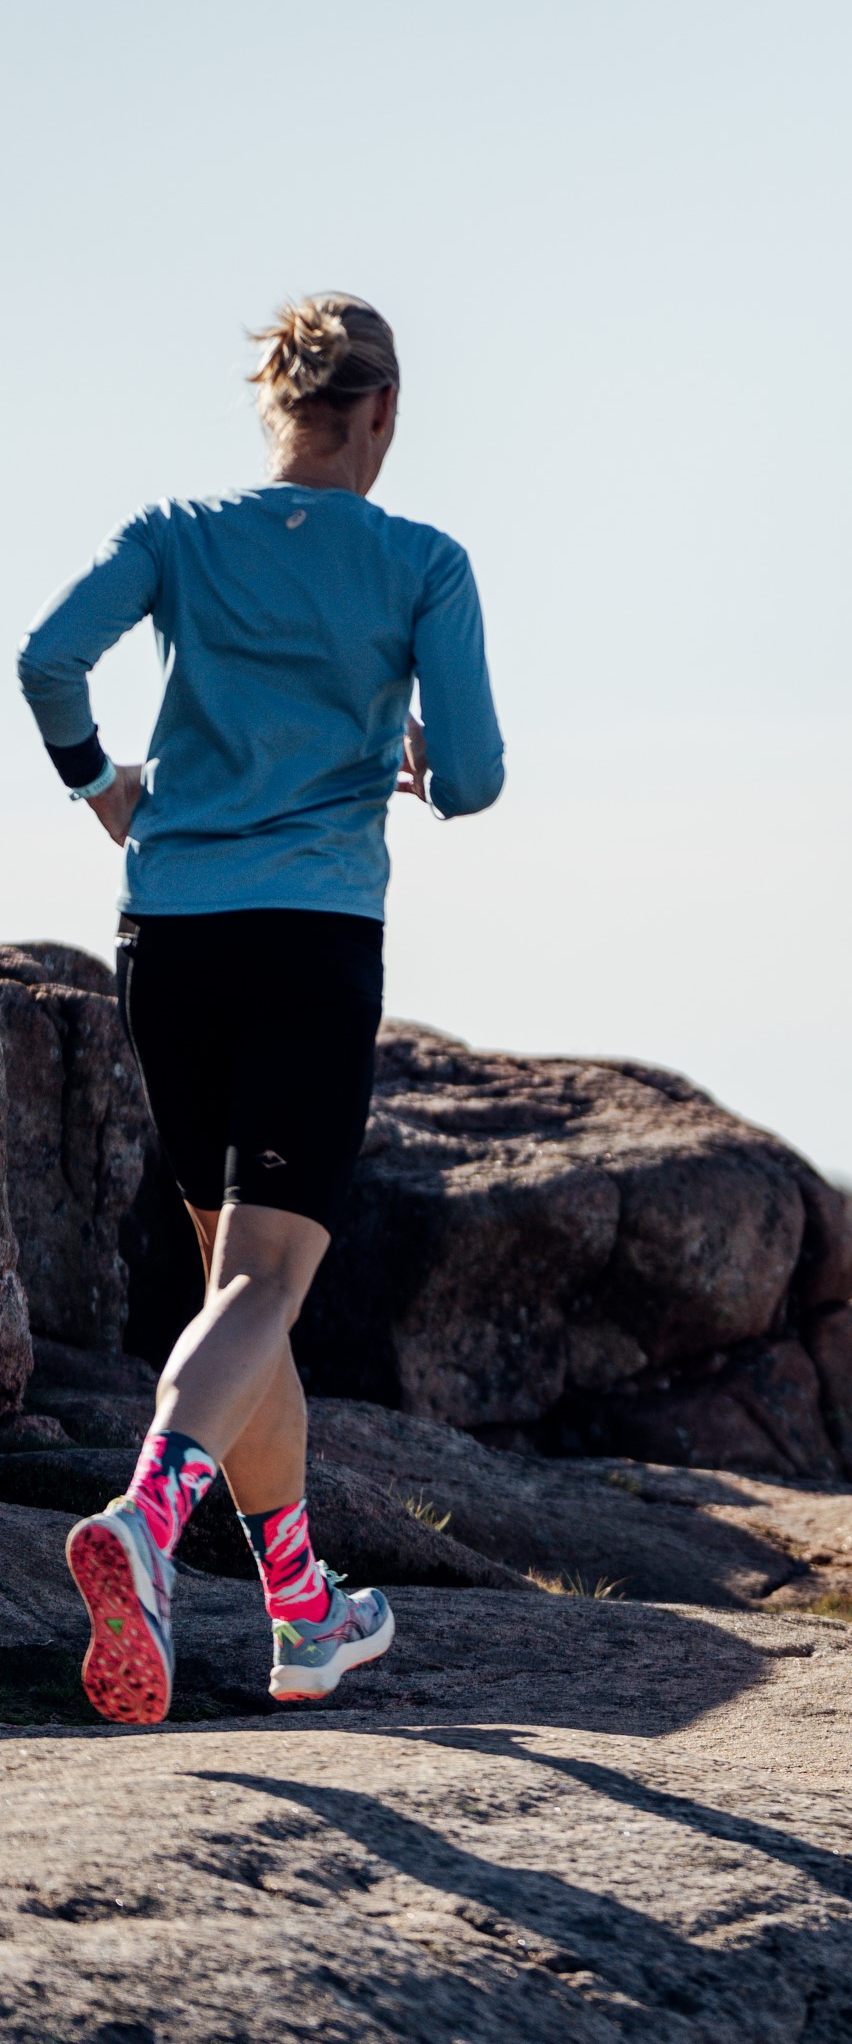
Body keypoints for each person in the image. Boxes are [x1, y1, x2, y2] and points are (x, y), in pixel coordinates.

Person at [16, 293, 505, 1723]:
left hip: (167, 936)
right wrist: (422, 755)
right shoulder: (423, 561)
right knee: (261, 1287)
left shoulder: (176, 532)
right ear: (382, 414)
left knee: (243, 1295)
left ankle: (302, 1610)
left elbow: (47, 659)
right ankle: (148, 1527)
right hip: (309, 936)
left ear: (278, 404)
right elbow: (470, 774)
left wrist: (102, 783)